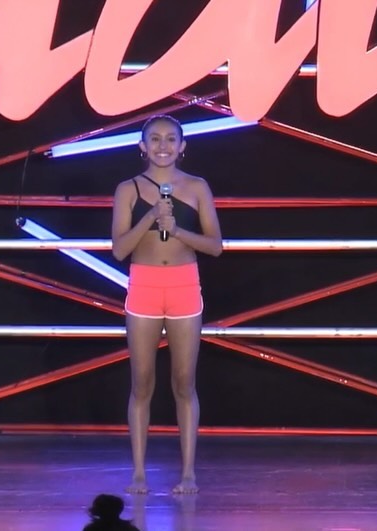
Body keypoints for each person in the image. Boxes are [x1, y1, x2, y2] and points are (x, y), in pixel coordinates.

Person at [111, 114, 223, 495]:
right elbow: (119, 249)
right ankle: (139, 473)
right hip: (144, 286)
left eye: (171, 139)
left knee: (184, 382)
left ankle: (188, 473)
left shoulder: (197, 187)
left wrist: (176, 230)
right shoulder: (127, 189)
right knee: (142, 382)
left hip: (183, 286)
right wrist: (150, 217)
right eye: (155, 139)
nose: (163, 146)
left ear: (182, 146)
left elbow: (215, 246)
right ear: (142, 146)